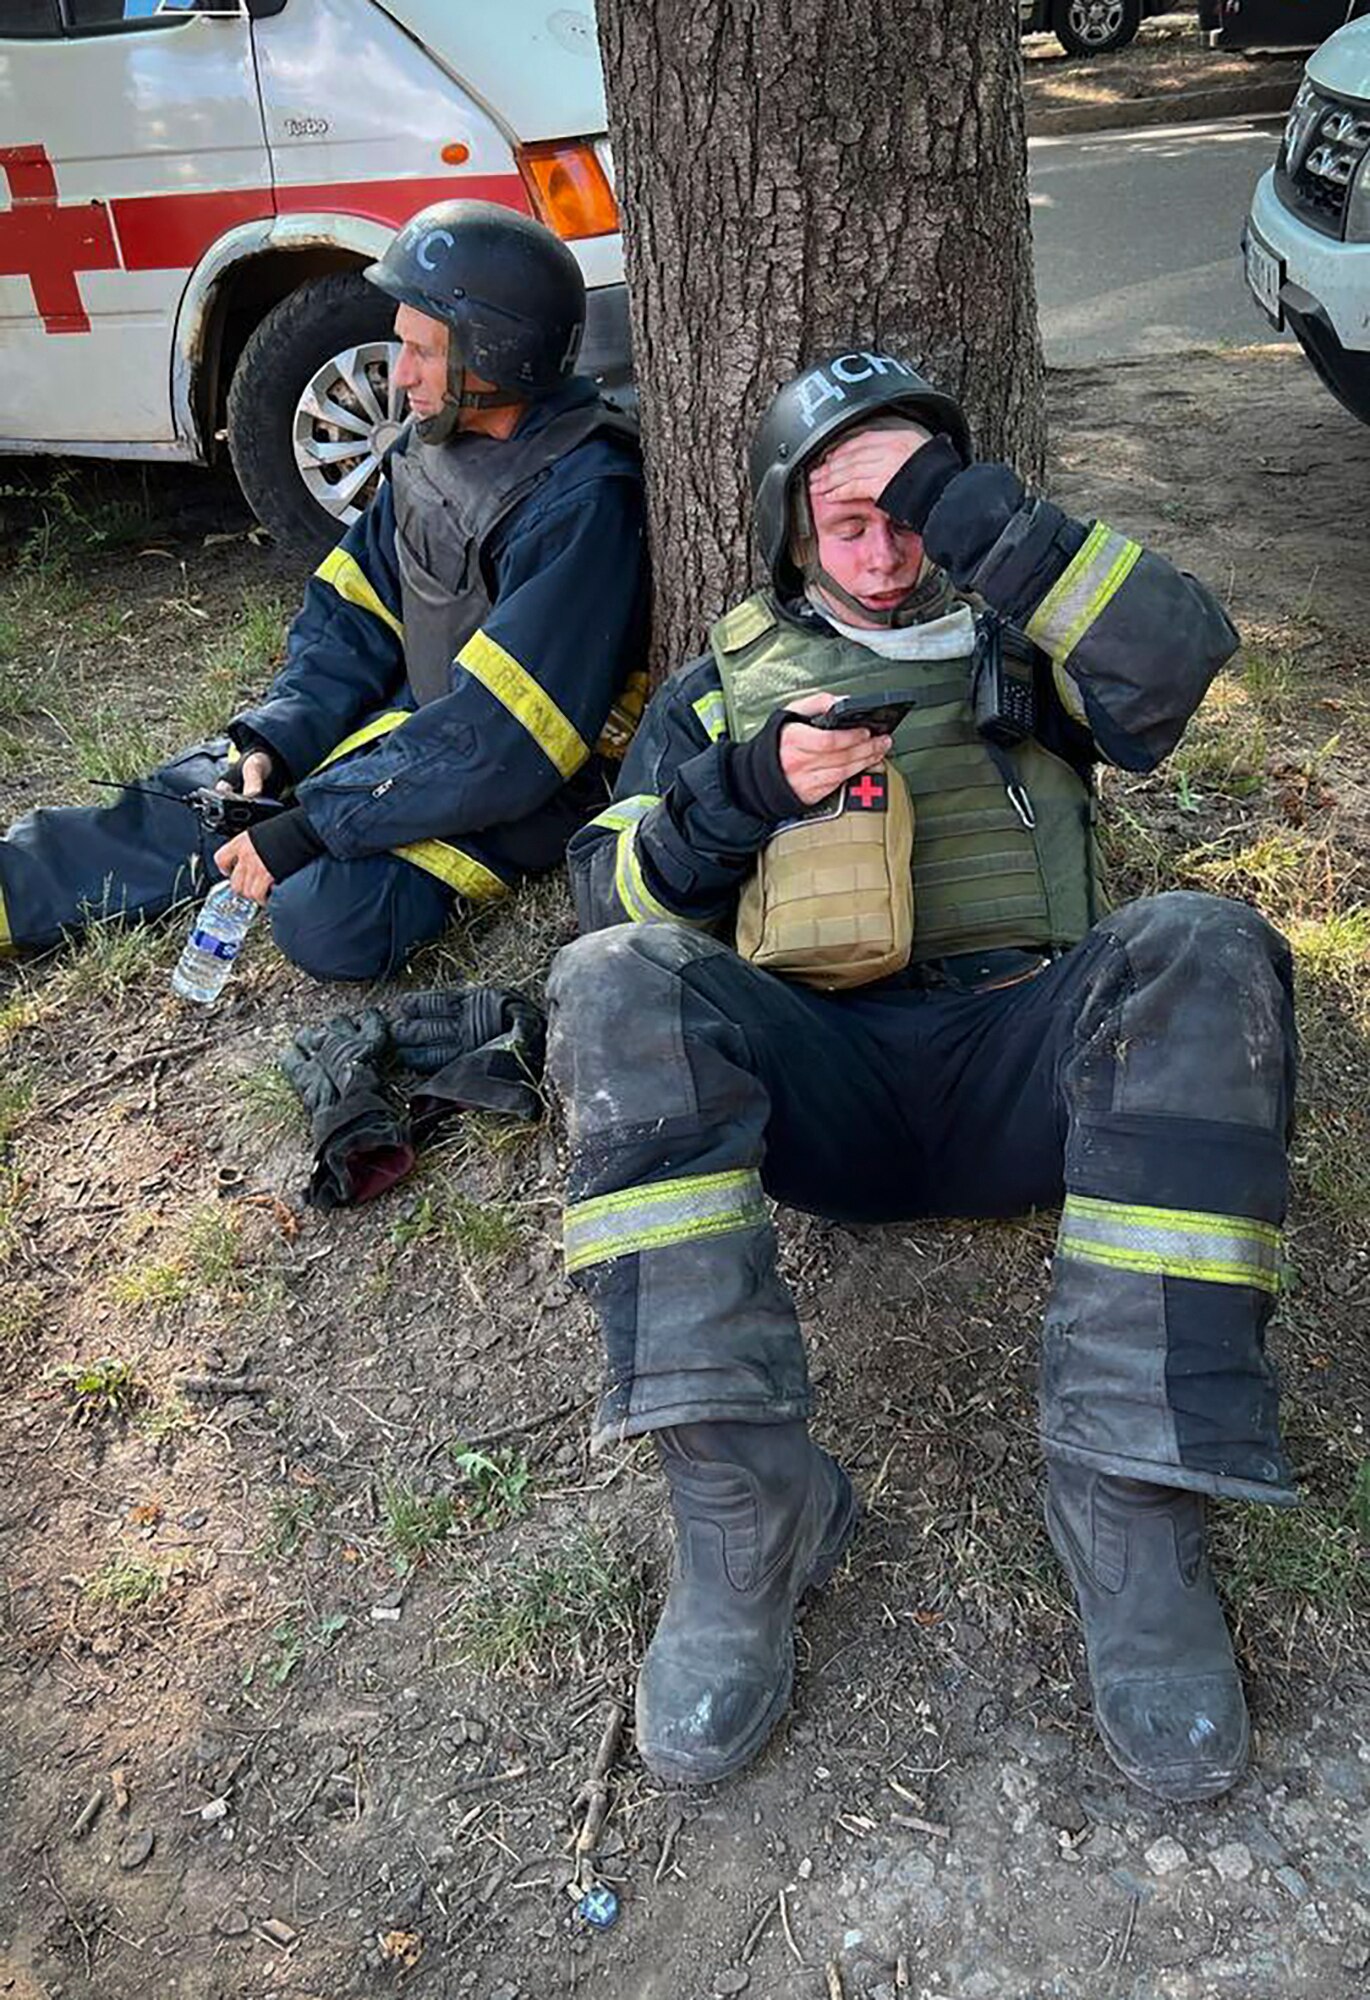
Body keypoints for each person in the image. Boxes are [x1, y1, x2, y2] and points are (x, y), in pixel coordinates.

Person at [544, 351, 1297, 1805]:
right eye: (848, 517)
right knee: (609, 981)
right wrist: (747, 791)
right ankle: (745, 1512)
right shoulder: (718, 689)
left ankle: (1125, 1505)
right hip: (827, 1091)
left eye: (910, 510)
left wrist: (987, 522)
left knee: (1202, 945)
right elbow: (609, 894)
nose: (883, 549)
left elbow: (1177, 657)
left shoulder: (1020, 646)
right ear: (787, 530)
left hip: (1037, 1074)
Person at [0, 202, 648, 980]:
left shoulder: (584, 497)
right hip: (422, 726)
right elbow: (352, 613)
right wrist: (283, 736)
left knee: (326, 916)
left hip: (516, 778)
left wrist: (318, 822)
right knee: (227, 790)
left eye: (421, 350)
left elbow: (502, 738)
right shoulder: (436, 440)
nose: (399, 371)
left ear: (499, 356)